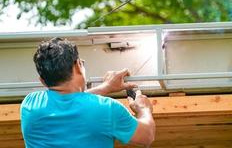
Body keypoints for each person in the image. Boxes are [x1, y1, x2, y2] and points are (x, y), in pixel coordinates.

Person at [20, 37, 155, 148]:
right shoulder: (107, 109)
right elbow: (147, 136)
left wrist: (105, 87)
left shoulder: (30, 104)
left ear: (42, 81)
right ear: (78, 66)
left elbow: (69, 100)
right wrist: (144, 109)